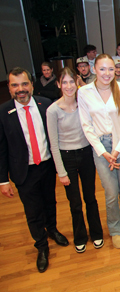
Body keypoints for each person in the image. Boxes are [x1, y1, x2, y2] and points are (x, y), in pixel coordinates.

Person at [0, 67, 69, 273]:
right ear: (9, 88)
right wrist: (3, 180)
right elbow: (1, 148)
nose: (20, 89)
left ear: (31, 84)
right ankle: (41, 246)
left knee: (50, 202)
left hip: (47, 166)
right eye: (15, 85)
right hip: (23, 171)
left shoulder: (45, 104)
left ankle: (53, 230)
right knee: (33, 211)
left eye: (24, 84)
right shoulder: (3, 112)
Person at [78, 54, 120, 249]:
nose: (107, 73)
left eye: (111, 69)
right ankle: (114, 228)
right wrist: (104, 152)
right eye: (102, 69)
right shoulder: (84, 92)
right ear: (94, 69)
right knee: (111, 193)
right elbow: (87, 126)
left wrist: (117, 150)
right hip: (100, 148)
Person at [47, 67, 103, 253]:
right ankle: (80, 236)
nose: (69, 86)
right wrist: (61, 172)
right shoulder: (52, 110)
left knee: (90, 198)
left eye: (72, 81)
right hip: (67, 157)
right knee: (75, 202)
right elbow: (53, 144)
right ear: (58, 84)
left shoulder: (83, 104)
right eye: (64, 82)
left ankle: (96, 233)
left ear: (77, 82)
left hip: (86, 154)